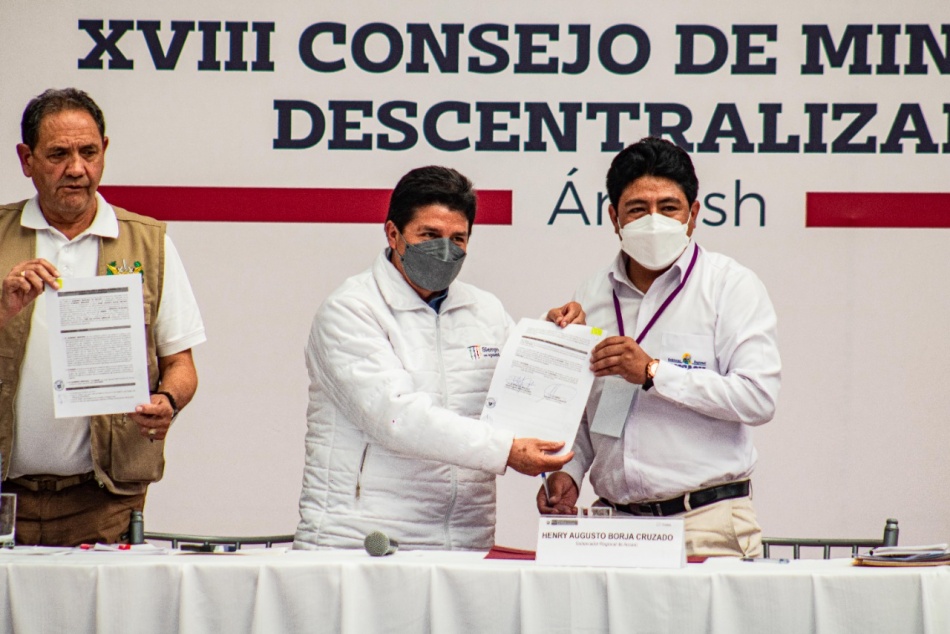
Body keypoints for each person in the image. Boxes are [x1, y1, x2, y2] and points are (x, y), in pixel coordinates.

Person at [295, 166, 572, 551]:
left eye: (457, 238)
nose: (445, 249)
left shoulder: (486, 310)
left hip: (467, 539)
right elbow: (396, 417)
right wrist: (506, 451)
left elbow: (525, 391)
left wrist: (557, 335)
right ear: (393, 234)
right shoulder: (350, 310)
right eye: (429, 235)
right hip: (364, 542)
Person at [539, 137, 781, 557]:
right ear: (614, 218)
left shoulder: (729, 286)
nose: (654, 220)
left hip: (705, 524)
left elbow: (758, 398)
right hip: (614, 526)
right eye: (637, 209)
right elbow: (603, 407)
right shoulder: (593, 294)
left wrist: (654, 373)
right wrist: (570, 473)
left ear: (693, 215)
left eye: (669, 207)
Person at [0, 88, 205, 546]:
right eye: (59, 154)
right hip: (4, 499)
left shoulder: (149, 243)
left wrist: (168, 401)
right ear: (26, 159)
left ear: (104, 151)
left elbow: (181, 363)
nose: (77, 168)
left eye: (89, 152)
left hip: (104, 503)